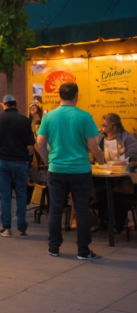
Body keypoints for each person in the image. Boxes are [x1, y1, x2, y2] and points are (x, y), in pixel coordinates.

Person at [35, 82, 104, 259]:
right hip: (80, 169)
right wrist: (101, 160)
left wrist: (49, 160)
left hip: (56, 170)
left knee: (56, 208)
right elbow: (92, 145)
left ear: (59, 96)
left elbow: (40, 145)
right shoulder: (85, 116)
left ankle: (54, 247)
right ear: (76, 96)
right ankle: (83, 250)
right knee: (81, 209)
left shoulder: (49, 117)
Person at [0, 94, 35, 237]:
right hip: (21, 162)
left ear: (4, 104)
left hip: (3, 161)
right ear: (16, 103)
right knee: (21, 194)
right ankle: (22, 226)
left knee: (6, 195)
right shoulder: (25, 120)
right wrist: (29, 161)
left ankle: (7, 228)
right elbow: (31, 146)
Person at [93, 113, 137, 232]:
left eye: (105, 121)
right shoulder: (100, 138)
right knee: (98, 192)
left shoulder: (127, 138)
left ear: (113, 125)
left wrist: (120, 163)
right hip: (105, 176)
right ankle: (104, 221)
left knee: (114, 196)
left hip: (124, 179)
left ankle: (117, 224)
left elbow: (133, 158)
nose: (102, 124)